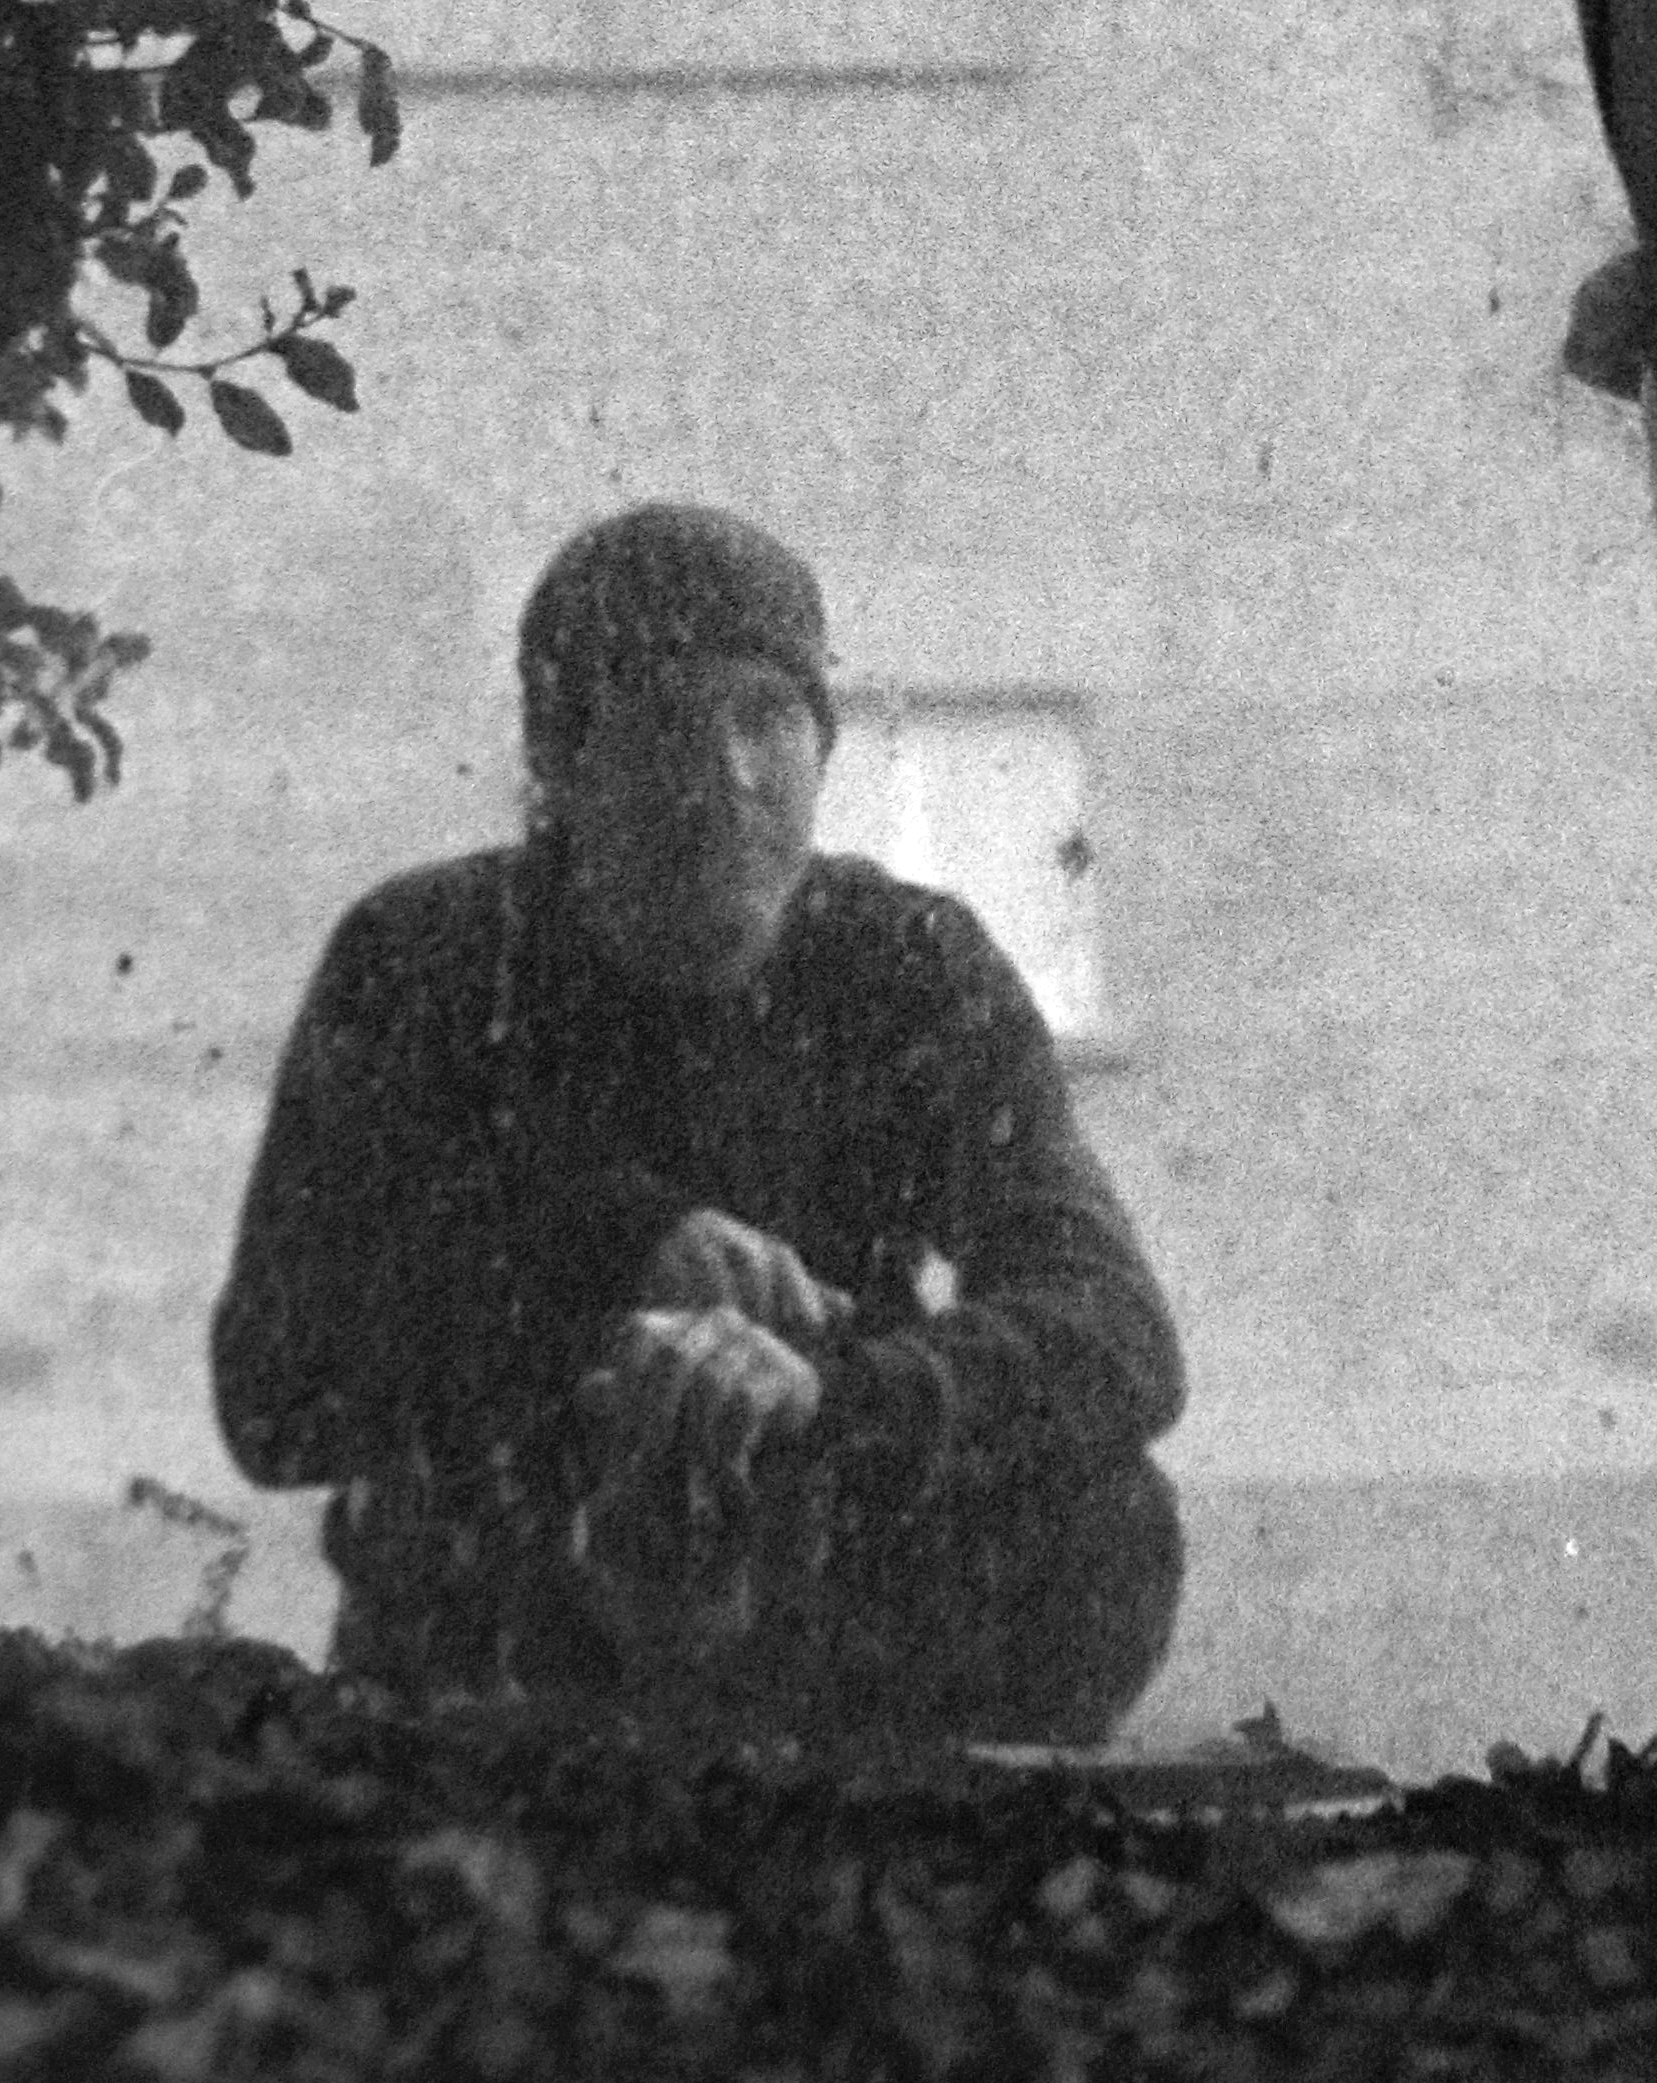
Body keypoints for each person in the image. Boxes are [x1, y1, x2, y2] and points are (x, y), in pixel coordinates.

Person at [211, 504, 1185, 1754]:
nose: (727, 779)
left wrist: (825, 1393)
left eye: (765, 719)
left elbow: (1117, 1331)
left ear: (821, 748)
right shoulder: (427, 961)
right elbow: (276, 1392)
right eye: (666, 724)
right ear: (560, 762)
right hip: (516, 1594)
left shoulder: (911, 964)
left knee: (1106, 1503)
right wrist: (611, 1266)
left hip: (830, 1584)